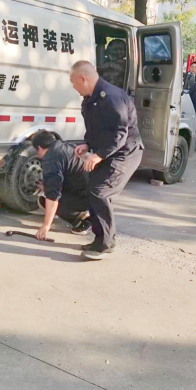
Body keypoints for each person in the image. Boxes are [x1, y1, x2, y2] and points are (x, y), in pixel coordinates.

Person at [69, 61, 144, 260]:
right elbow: (97, 127)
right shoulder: (91, 98)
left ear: (83, 78)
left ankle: (105, 244)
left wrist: (98, 155)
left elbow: (119, 133)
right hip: (110, 151)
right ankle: (100, 239)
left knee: (100, 191)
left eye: (73, 82)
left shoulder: (111, 98)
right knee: (93, 189)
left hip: (125, 153)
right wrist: (87, 144)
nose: (73, 87)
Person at [32, 131, 92, 241]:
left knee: (44, 199)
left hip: (87, 196)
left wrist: (46, 225)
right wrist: (47, 186)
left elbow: (53, 195)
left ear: (39, 148)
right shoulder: (64, 146)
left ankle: (84, 220)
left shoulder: (50, 159)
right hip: (95, 189)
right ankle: (88, 211)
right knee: (48, 194)